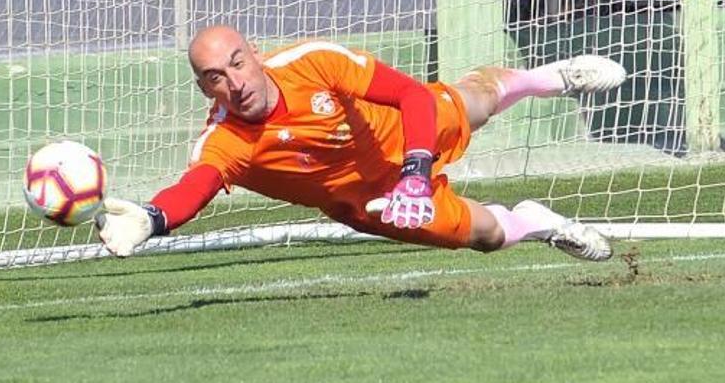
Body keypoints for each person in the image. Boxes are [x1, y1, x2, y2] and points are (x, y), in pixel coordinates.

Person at [96, 25, 626, 260]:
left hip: (398, 131)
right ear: (203, 88)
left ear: (255, 53)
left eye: (237, 63)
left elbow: (412, 96)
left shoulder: (313, 62)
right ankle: (536, 221)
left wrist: (417, 169)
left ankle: (549, 78)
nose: (234, 83)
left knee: (478, 102)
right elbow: (195, 187)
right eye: (215, 77)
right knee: (488, 237)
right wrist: (151, 218)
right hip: (369, 202)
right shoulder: (226, 139)